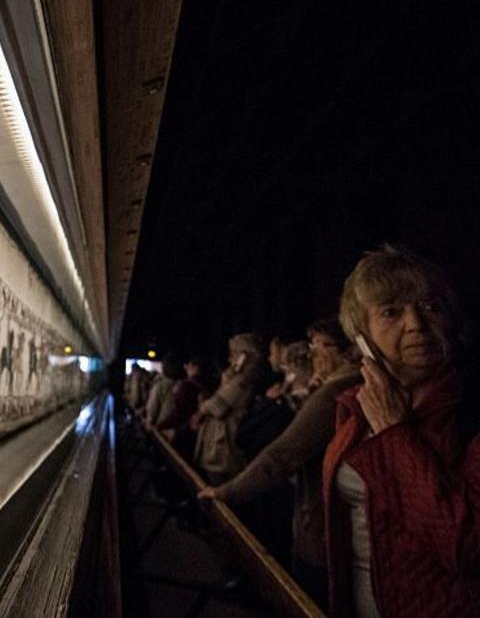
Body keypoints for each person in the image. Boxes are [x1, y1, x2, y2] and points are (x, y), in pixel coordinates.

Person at [321, 245, 478, 616]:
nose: (416, 325)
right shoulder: (354, 407)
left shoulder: (471, 412)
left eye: (431, 307)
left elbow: (466, 545)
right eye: (392, 311)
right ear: (361, 336)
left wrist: (395, 432)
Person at [198, 320, 362, 608]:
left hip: (320, 533)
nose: (314, 354)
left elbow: (282, 455)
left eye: (322, 345)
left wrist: (227, 491)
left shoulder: (333, 393)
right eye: (311, 346)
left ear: (348, 350)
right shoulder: (340, 387)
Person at [194, 333, 269, 484]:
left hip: (224, 450)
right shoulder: (235, 377)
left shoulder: (245, 379)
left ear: (245, 356)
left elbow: (218, 406)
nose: (230, 358)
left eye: (234, 353)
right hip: (219, 447)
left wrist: (203, 407)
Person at [145, 354, 185, 427]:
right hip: (181, 431)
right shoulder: (186, 385)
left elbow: (152, 410)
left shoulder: (160, 385)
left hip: (162, 429)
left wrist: (149, 423)